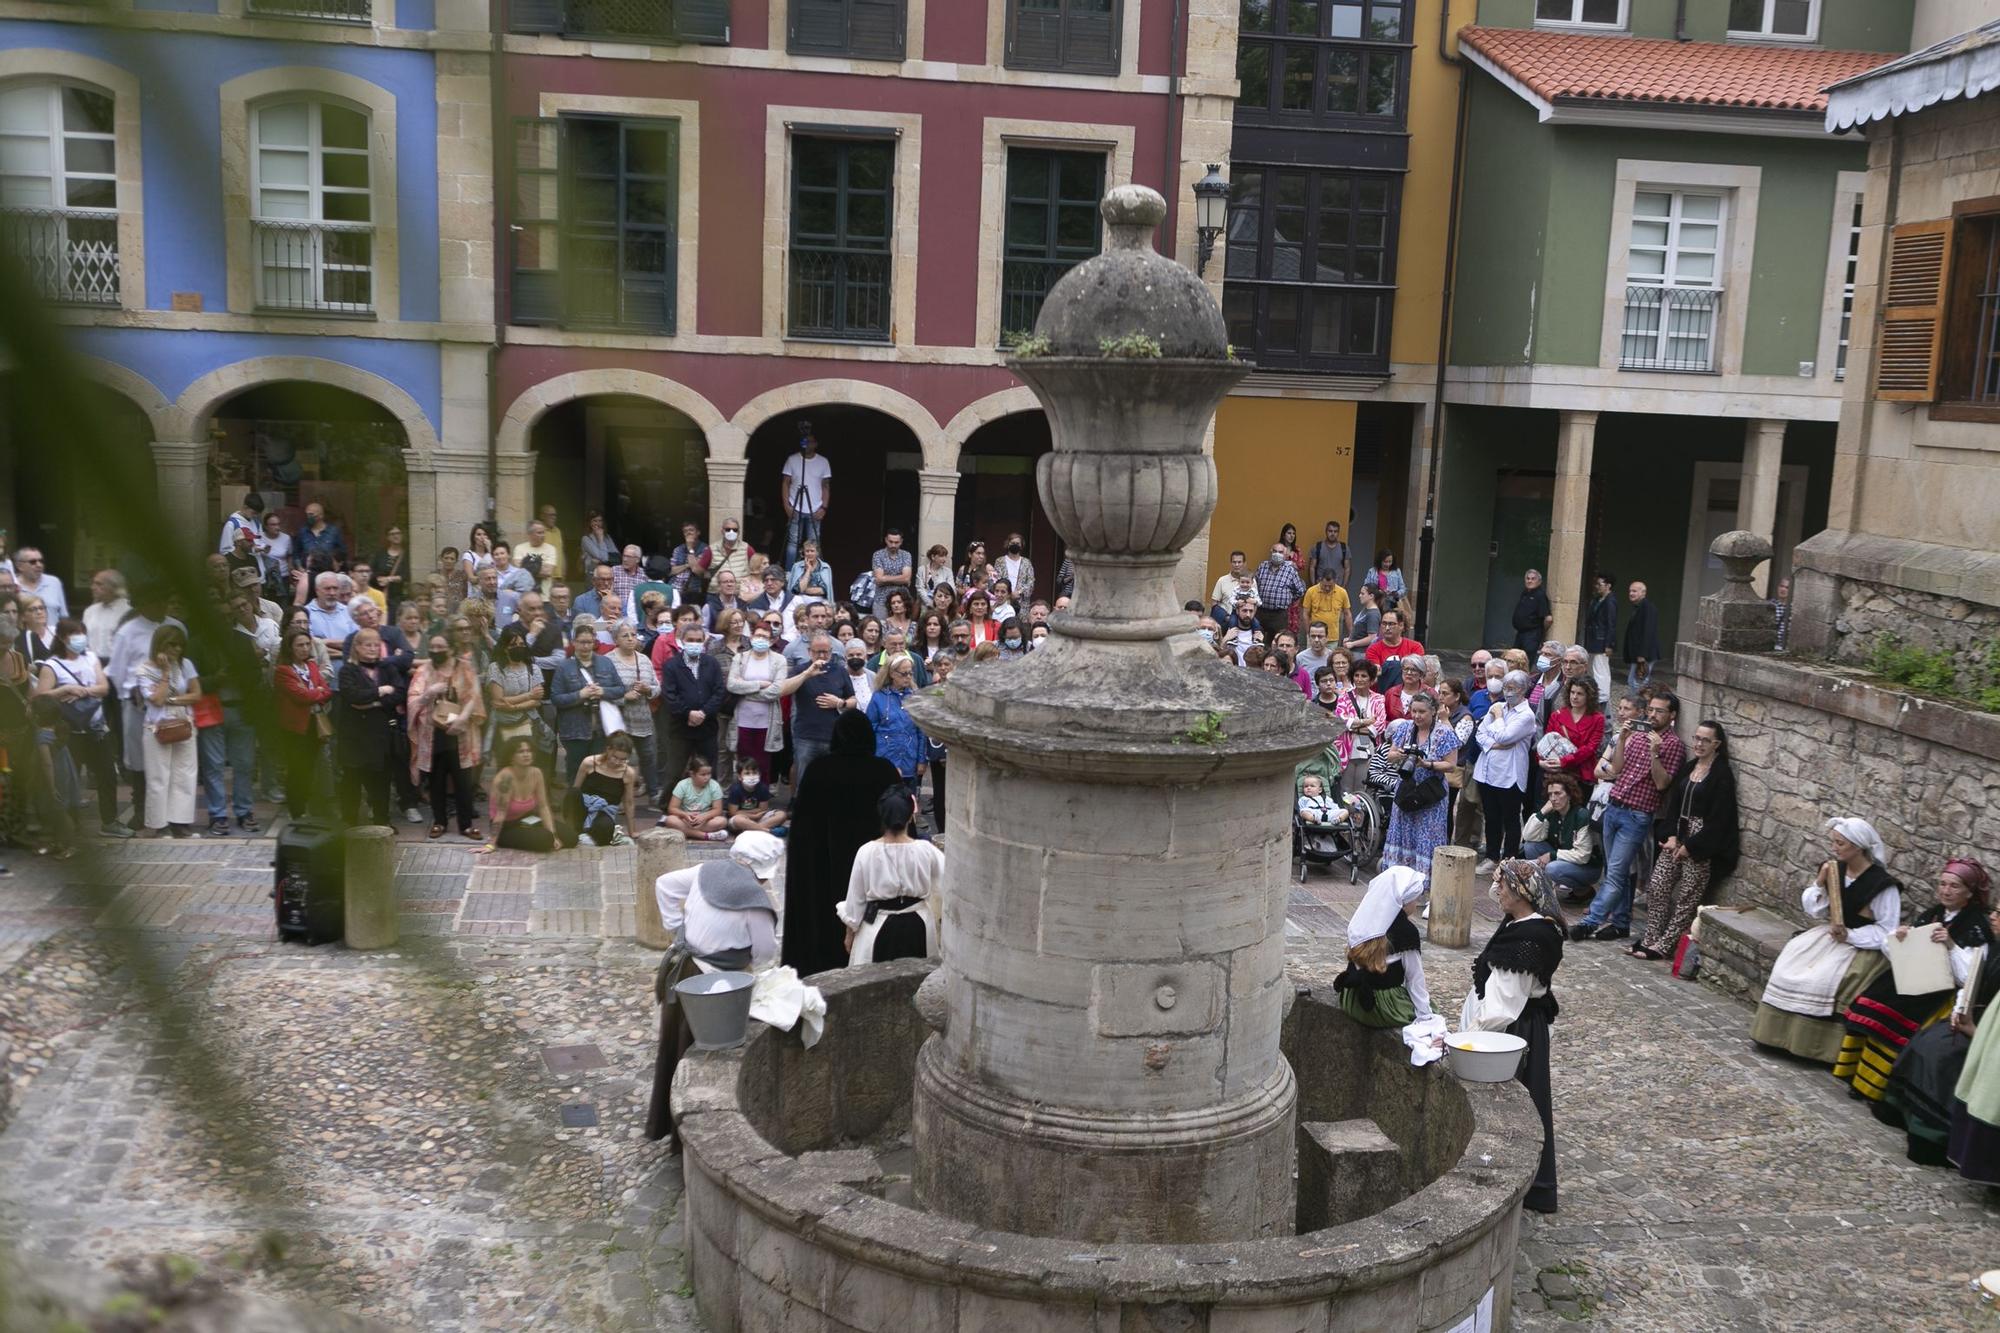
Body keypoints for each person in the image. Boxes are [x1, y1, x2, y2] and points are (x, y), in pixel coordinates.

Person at [646, 831, 785, 1146]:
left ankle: (664, 1125)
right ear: (761, 871)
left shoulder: (705, 871)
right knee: (702, 1059)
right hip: (719, 985)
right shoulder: (755, 903)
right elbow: (765, 953)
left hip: (683, 970)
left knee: (672, 1047)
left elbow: (664, 884)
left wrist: (678, 930)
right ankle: (695, 1141)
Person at [1837, 858, 1992, 1103]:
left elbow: (1970, 975)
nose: (1945, 890)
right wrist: (1900, 938)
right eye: (1942, 884)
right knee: (1872, 999)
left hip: (1941, 989)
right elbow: (1899, 953)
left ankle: (1876, 1088)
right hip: (1913, 975)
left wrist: (1950, 944)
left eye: (1954, 886)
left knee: (1897, 1016)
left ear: (1970, 892)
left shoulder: (1977, 926)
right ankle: (1857, 1077)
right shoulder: (1933, 913)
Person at [1461, 859, 1567, 1214]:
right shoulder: (1526, 921)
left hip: (1511, 1031)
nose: (1497, 891)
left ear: (1522, 893)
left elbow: (1501, 1007)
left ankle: (1510, 1184)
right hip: (1521, 1024)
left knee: (1510, 1109)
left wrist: (1467, 1041)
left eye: (1504, 886)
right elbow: (1504, 892)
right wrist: (1507, 871)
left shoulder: (1528, 939)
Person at [1752, 818, 1902, 1064]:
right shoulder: (1835, 870)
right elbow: (1815, 910)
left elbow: (1887, 930)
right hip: (1831, 936)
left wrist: (1850, 936)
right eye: (1833, 842)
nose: (1834, 847)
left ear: (1858, 846)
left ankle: (1812, 1047)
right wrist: (1820, 883)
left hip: (1861, 944)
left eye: (1840, 843)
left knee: (1821, 978)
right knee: (1789, 962)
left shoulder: (1882, 885)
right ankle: (1776, 1036)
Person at [1877, 871, 1999, 1165]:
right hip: (1974, 1015)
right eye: (1994, 911)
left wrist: (1973, 1030)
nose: (1994, 917)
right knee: (1924, 1040)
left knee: (1940, 1055)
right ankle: (1905, 1116)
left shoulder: (1979, 933)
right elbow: (1975, 985)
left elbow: (1967, 976)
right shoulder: (1994, 947)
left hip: (1989, 1032)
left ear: (1969, 892)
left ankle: (1934, 1139)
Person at [782, 711, 904, 976]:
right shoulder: (883, 772)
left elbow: (802, 834)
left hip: (823, 872)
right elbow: (902, 825)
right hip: (875, 874)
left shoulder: (818, 771)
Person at [1570, 688, 1684, 942]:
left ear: (1672, 715)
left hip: (1637, 814)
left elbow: (1662, 783)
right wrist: (1622, 739)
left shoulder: (1672, 744)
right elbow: (1618, 768)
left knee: (1616, 873)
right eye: (1651, 710)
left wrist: (1656, 753)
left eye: (1659, 711)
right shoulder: (1641, 735)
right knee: (1617, 871)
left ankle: (1590, 922)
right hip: (1615, 806)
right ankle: (1621, 922)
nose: (1653, 715)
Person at [1631, 720, 1740, 962]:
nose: (1699, 743)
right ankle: (1651, 937)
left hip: (1701, 843)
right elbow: (1673, 805)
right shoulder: (1690, 767)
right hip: (1677, 835)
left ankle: (1666, 944)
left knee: (1688, 896)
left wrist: (1690, 847)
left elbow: (1720, 819)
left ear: (1717, 744)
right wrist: (1671, 836)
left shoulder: (1720, 775)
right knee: (1658, 885)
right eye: (1697, 738)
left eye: (1705, 740)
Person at [33, 617, 123, 837]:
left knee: (107, 775)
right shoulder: (52, 665)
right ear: (63, 639)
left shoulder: (91, 658)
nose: (81, 640)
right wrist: (66, 690)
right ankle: (70, 826)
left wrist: (84, 691)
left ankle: (110, 821)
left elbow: (103, 688)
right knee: (69, 782)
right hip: (69, 732)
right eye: (75, 636)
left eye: (82, 635)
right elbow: (40, 697)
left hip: (95, 728)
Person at [839, 787, 945, 964]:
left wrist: (850, 933)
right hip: (919, 927)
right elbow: (947, 884)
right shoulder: (927, 851)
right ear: (911, 816)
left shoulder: (866, 852)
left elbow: (855, 901)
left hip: (877, 928)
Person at [1333, 866, 1433, 1028]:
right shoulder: (1406, 932)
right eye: (1415, 899)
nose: (1416, 904)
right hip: (1382, 1007)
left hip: (1352, 999)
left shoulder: (1363, 919)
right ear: (1404, 902)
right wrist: (1426, 1015)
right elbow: (1415, 980)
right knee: (1430, 1010)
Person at [409, 631, 485, 840]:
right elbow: (413, 699)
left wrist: (463, 719)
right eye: (432, 647)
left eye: (440, 647)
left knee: (463, 782)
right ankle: (439, 821)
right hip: (433, 734)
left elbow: (474, 696)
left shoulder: (465, 667)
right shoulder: (424, 670)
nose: (435, 651)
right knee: (436, 782)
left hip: (460, 734)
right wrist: (429, 693)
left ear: (451, 648)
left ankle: (466, 825)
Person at [1380, 691, 1459, 886]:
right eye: (1413, 711)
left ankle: (1427, 883)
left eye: (1421, 712)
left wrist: (1427, 764)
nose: (1416, 716)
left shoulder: (1445, 732)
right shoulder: (1405, 728)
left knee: (1429, 834)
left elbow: (1451, 765)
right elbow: (1389, 755)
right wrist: (1398, 754)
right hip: (1407, 787)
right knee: (1403, 830)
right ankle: (1400, 881)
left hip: (1430, 792)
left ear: (1433, 711)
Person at [132, 624, 200, 838]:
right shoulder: (143, 669)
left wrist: (173, 700)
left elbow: (196, 694)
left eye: (180, 645)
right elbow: (156, 699)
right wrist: (165, 673)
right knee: (159, 776)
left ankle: (181, 823)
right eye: (172, 644)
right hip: (156, 727)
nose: (176, 650)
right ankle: (160, 825)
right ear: (160, 644)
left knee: (185, 774)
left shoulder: (186, 664)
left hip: (183, 723)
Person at [335, 626, 405, 826]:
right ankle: (349, 821)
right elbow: (353, 696)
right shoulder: (347, 670)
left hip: (379, 735)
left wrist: (374, 702)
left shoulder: (387, 668)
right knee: (352, 783)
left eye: (377, 645)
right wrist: (381, 690)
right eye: (368, 645)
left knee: (381, 783)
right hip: (354, 738)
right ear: (357, 647)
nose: (373, 649)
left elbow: (400, 692)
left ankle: (382, 821)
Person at [1472, 670, 1537, 869]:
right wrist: (1494, 743)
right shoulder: (1498, 706)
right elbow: (1480, 733)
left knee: (1510, 817)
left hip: (1510, 774)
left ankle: (1509, 858)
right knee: (1491, 816)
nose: (1508, 692)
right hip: (1487, 770)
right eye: (1506, 687)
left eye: (1513, 688)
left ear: (1523, 690)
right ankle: (1491, 856)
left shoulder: (1526, 715)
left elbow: (1506, 737)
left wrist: (1498, 720)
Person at [551, 623, 626, 786]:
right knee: (575, 774)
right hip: (574, 731)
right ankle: (574, 807)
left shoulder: (606, 662)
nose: (585, 646)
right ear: (574, 642)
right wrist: (580, 695)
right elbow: (556, 698)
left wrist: (602, 691)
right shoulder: (564, 667)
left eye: (589, 642)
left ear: (594, 642)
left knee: (598, 773)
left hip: (601, 729)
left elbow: (620, 689)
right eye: (581, 642)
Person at [273, 629, 332, 818]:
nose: (305, 648)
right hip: (295, 728)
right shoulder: (283, 671)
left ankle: (308, 806)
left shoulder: (312, 666)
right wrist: (317, 691)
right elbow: (301, 696)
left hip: (314, 725)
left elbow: (328, 691)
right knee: (297, 770)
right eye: (300, 645)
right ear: (290, 648)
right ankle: (296, 812)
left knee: (312, 767)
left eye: (307, 644)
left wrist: (316, 692)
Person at [477, 737, 565, 852]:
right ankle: (505, 840)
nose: (526, 754)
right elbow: (501, 813)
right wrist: (491, 844)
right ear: (511, 757)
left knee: (570, 837)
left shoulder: (536, 773)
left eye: (529, 751)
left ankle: (543, 835)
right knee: (546, 839)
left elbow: (543, 807)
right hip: (506, 827)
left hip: (526, 819)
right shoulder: (506, 778)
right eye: (521, 752)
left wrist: (554, 834)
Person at [1520, 774, 1598, 900]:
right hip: (1565, 859)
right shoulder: (1552, 812)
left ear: (1569, 795)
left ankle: (1583, 889)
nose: (1553, 798)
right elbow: (1528, 836)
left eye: (1558, 793)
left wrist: (1552, 855)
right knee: (1530, 846)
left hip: (1587, 867)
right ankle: (1542, 888)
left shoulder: (1581, 815)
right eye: (1550, 795)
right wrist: (1542, 812)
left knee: (1552, 868)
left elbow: (1582, 855)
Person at [866, 653, 927, 810]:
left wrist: (921, 760)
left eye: (910, 673)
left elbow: (921, 731)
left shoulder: (915, 698)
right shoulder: (878, 697)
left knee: (908, 803)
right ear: (892, 674)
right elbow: (869, 730)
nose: (908, 677)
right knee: (883, 802)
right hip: (885, 757)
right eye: (903, 673)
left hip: (909, 758)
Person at [569, 732, 640, 846]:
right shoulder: (589, 763)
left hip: (605, 810)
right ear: (608, 750)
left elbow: (629, 803)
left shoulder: (628, 773)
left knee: (605, 829)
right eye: (615, 757)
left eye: (623, 759)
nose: (617, 762)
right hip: (585, 805)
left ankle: (592, 834)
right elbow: (576, 789)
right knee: (573, 793)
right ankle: (575, 830)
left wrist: (632, 831)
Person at [1538, 679, 1604, 792]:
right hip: (1555, 772)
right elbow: (1546, 742)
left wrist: (1564, 761)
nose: (1574, 697)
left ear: (1589, 696)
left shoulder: (1598, 719)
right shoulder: (1557, 715)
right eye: (1572, 692)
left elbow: (1590, 748)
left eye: (1580, 693)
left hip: (1580, 774)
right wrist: (1541, 761)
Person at [781, 422, 832, 565]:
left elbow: (826, 486)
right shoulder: (792, 459)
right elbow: (785, 483)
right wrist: (786, 505)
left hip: (815, 507)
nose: (807, 445)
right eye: (805, 441)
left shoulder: (823, 461)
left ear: (816, 444)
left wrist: (824, 508)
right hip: (795, 505)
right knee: (792, 542)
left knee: (813, 544)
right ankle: (790, 573)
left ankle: (814, 573)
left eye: (810, 442)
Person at [1334, 658, 1386, 794]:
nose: (1359, 679)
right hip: (1347, 748)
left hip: (1369, 748)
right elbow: (1341, 719)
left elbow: (1380, 723)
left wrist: (1353, 725)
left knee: (1362, 788)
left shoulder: (1379, 698)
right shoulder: (1344, 696)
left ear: (1371, 679)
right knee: (1345, 789)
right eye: (1356, 675)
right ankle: (1347, 814)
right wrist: (1366, 722)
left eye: (1364, 676)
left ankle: (1361, 815)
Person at [664, 755, 727, 842]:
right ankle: (704, 836)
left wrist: (704, 817)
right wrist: (685, 815)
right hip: (686, 820)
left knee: (722, 821)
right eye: (703, 774)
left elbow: (718, 810)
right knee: (670, 820)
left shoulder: (714, 785)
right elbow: (672, 808)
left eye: (709, 774)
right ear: (692, 774)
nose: (707, 777)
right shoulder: (682, 785)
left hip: (704, 821)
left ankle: (687, 832)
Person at [1253, 541, 1304, 642]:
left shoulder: (1290, 570)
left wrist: (1288, 599)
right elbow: (1255, 585)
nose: (1277, 554)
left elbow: (1300, 591)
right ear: (1271, 552)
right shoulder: (1263, 566)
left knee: (1278, 642)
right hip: (1261, 611)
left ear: (1285, 555)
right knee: (1257, 641)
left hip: (1279, 615)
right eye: (1275, 551)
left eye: (1280, 552)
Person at [725, 755, 787, 835]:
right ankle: (768, 831)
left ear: (759, 774)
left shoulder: (763, 788)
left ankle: (751, 830)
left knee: (782, 815)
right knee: (738, 820)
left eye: (754, 773)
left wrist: (745, 812)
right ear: (740, 777)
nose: (751, 776)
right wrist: (754, 816)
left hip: (760, 818)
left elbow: (763, 809)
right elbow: (733, 812)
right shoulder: (735, 790)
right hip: (743, 819)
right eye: (747, 773)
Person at [1363, 609, 1423, 691]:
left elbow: (1417, 672)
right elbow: (1374, 675)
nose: (1387, 628)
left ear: (1401, 625)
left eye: (1391, 624)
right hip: (1382, 691)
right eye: (1384, 624)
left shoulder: (1415, 647)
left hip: (1409, 690)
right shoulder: (1373, 649)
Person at [1582, 573, 1616, 704]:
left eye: (1600, 584)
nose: (1597, 587)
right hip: (1593, 639)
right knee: (1592, 669)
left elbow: (1611, 624)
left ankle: (1602, 697)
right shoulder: (1597, 600)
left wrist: (1609, 644)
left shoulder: (1610, 601)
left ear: (1608, 586)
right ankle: (1593, 694)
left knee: (1601, 669)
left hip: (1601, 641)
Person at [1622, 580, 1661, 691]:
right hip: (1640, 655)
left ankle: (1638, 706)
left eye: (1634, 591)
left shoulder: (1647, 608)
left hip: (1644, 655)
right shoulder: (1639, 607)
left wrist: (1642, 655)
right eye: (1630, 591)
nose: (1631, 593)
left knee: (1637, 683)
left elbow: (1648, 632)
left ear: (1643, 593)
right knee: (1636, 682)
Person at [11, 547, 67, 621]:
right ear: (19, 566)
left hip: (53, 632)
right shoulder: (12, 585)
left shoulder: (54, 582)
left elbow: (63, 615)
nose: (39, 565)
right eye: (32, 562)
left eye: (41, 561)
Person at [1300, 567, 1351, 648]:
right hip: (1314, 636)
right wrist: (1308, 633)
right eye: (1325, 586)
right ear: (1320, 580)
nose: (1327, 588)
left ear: (1335, 581)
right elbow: (1305, 614)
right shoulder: (1311, 591)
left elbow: (1347, 614)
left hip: (1332, 638)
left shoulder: (1342, 592)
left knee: (1331, 659)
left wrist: (1351, 634)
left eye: (1330, 586)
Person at [1511, 569, 1553, 656]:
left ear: (1539, 581)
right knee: (1514, 658)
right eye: (1528, 578)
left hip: (1532, 635)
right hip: (1520, 633)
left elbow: (1548, 619)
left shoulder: (1540, 595)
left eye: (1533, 579)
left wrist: (1540, 632)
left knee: (1526, 661)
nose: (1530, 581)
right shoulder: (1525, 593)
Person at [788, 538, 835, 604]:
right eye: (807, 551)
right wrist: (808, 570)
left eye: (812, 551)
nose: (809, 553)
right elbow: (800, 588)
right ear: (804, 552)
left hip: (820, 599)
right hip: (801, 599)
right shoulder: (797, 566)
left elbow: (824, 590)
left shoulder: (825, 567)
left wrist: (805, 590)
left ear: (817, 552)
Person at [1308, 519, 1350, 590]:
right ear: (1326, 531)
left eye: (1335, 531)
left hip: (1337, 589)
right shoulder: (1318, 547)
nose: (1333, 533)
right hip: (1320, 588)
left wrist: (1343, 587)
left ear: (1338, 533)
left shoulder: (1344, 548)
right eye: (1330, 531)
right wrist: (1314, 586)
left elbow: (1347, 569)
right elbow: (1312, 567)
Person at [1343, 583, 1382, 654]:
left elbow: (1372, 637)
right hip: (1355, 651)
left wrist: (1353, 643)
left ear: (1371, 596)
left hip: (1362, 652)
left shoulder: (1373, 614)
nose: (1359, 596)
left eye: (1362, 594)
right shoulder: (1366, 609)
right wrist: (1350, 639)